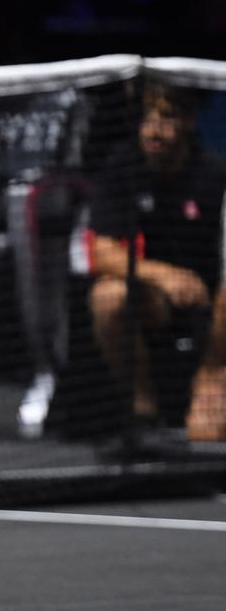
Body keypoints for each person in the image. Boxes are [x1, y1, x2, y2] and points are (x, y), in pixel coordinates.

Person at [87, 82, 226, 441]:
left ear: (189, 122)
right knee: (107, 297)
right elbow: (102, 252)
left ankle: (208, 382)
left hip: (215, 311)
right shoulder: (123, 166)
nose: (154, 129)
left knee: (206, 434)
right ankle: (143, 409)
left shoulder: (214, 175)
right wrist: (165, 275)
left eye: (166, 117)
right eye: (147, 119)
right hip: (156, 297)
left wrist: (212, 367)